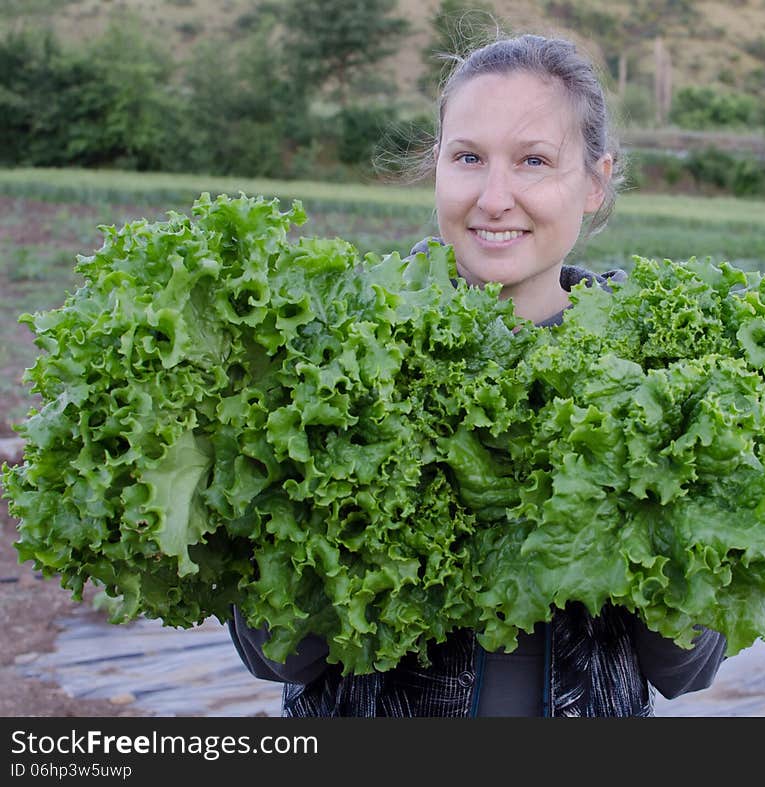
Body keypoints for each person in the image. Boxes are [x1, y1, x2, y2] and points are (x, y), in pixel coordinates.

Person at [229, 32, 727, 717]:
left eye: (533, 161)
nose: (495, 198)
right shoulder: (338, 356)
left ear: (594, 181)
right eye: (469, 158)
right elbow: (273, 652)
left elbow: (685, 666)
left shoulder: (657, 380)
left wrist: (647, 510)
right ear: (436, 166)